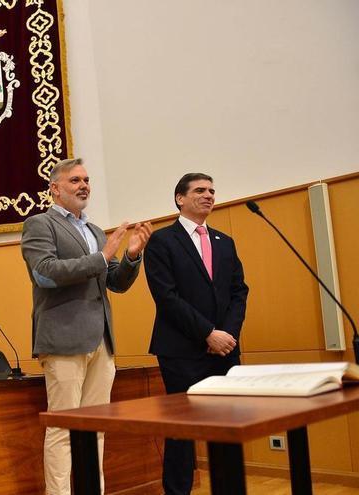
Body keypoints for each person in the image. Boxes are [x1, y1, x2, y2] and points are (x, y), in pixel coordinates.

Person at [20, 157, 152, 495]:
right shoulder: (40, 223)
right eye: (75, 180)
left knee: (97, 427)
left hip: (101, 340)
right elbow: (45, 273)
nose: (84, 186)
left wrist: (132, 256)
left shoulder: (94, 231)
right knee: (64, 427)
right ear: (55, 189)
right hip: (63, 338)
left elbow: (115, 283)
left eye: (87, 180)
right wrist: (103, 255)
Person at [144, 173, 249, 494]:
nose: (209, 195)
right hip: (181, 351)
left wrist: (227, 334)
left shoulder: (224, 241)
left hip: (225, 350)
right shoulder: (162, 241)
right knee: (182, 432)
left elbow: (238, 291)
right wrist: (208, 333)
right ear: (180, 198)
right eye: (200, 190)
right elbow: (167, 296)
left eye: (212, 191)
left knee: (228, 429)